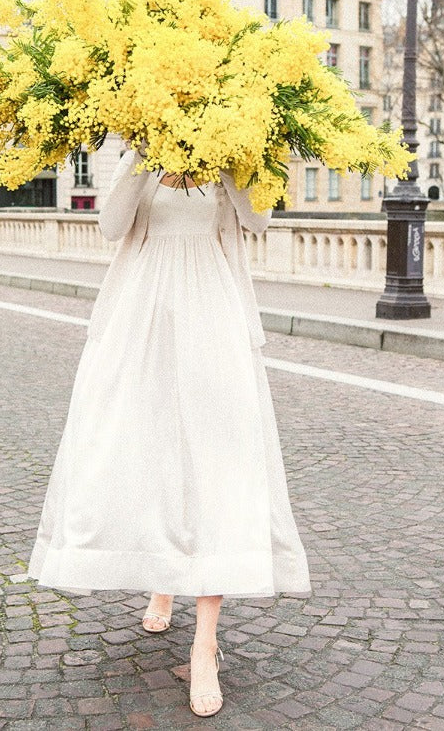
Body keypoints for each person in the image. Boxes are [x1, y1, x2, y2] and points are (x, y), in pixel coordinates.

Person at [27, 141, 311, 718]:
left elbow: (259, 219)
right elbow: (110, 227)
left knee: (218, 460)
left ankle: (204, 642)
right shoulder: (144, 157)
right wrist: (137, 156)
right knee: (145, 449)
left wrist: (236, 158)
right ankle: (164, 578)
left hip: (212, 315)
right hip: (144, 317)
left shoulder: (228, 153)